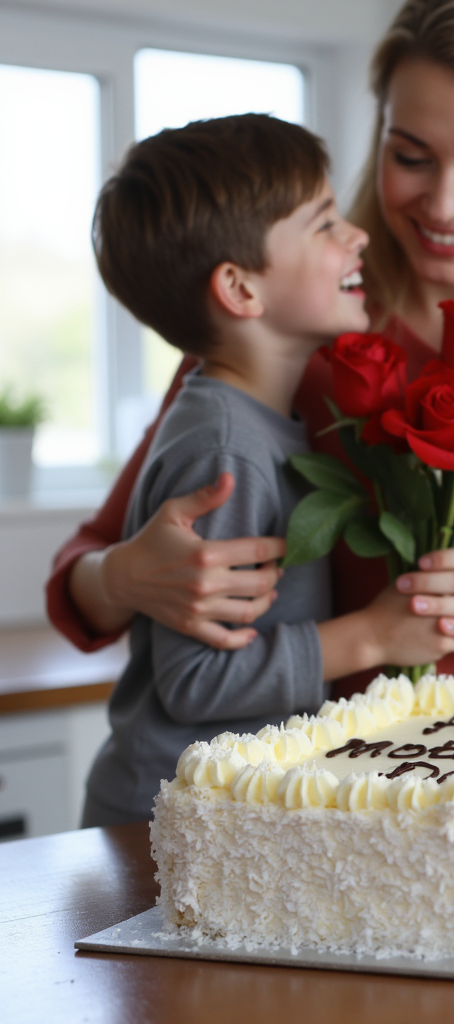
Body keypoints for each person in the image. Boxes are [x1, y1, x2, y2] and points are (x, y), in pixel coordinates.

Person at [47, 0, 454, 705]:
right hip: (335, 793)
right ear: (380, 134)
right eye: (410, 157)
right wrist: (124, 577)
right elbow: (81, 578)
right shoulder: (293, 312)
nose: (442, 205)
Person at [79, 114, 377, 826]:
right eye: (324, 223)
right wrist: (374, 637)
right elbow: (194, 680)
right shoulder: (224, 451)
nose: (357, 235)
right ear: (241, 290)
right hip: (162, 828)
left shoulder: (256, 423)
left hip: (210, 820)